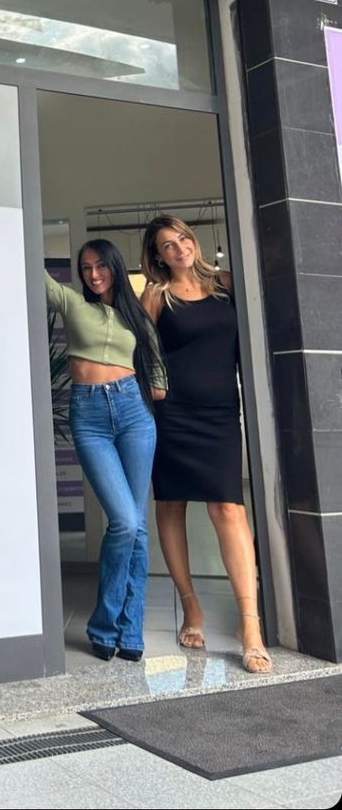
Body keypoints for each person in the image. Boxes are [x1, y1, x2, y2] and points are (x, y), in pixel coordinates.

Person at [139, 215, 272, 674]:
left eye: (183, 238)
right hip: (173, 415)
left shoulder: (226, 284)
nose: (180, 248)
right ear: (157, 255)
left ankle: (250, 626)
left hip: (220, 414)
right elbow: (141, 354)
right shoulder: (156, 296)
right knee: (171, 505)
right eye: (167, 244)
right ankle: (190, 607)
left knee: (228, 509)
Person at [46, 239, 167, 662]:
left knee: (137, 526)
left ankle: (130, 631)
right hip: (90, 415)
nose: (94, 274)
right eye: (86, 268)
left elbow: (155, 363)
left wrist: (155, 386)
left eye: (101, 266)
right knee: (124, 521)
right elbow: (36, 277)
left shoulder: (136, 314)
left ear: (114, 266)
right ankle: (104, 622)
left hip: (134, 413)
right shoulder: (73, 304)